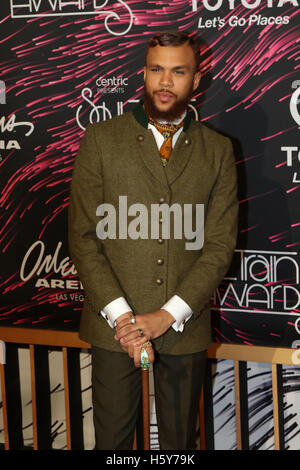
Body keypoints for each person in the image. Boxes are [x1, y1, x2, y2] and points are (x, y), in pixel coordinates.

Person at [68, 30, 238, 450]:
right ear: (143, 74)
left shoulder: (217, 151)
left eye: (178, 72)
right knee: (112, 444)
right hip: (113, 329)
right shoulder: (102, 140)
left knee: (181, 444)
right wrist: (124, 321)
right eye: (157, 70)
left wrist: (167, 314)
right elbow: (84, 238)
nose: (165, 82)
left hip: (185, 327)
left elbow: (218, 246)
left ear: (195, 81)